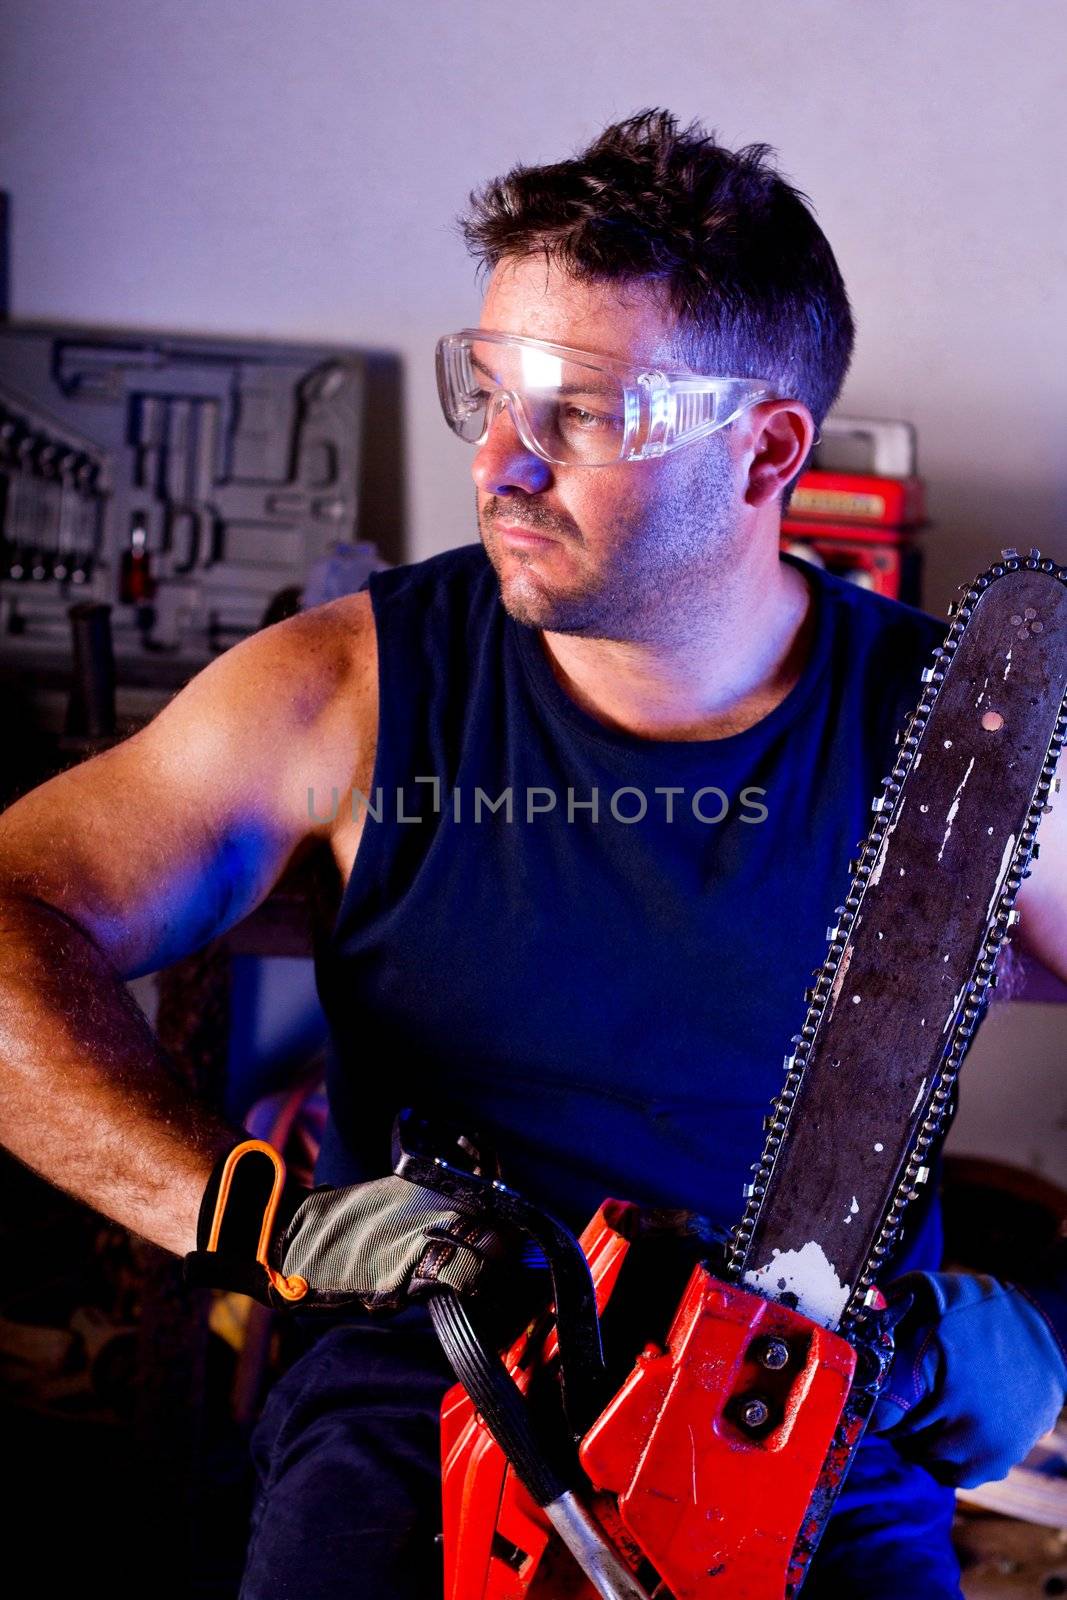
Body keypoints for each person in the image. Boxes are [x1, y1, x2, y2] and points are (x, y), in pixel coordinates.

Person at [0, 109, 1064, 1599]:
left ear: (766, 451)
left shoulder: (971, 744)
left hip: (804, 1405)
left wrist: (1046, 1325)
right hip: (425, 1374)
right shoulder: (352, 689)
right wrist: (262, 1221)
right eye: (489, 390)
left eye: (582, 409)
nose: (498, 462)